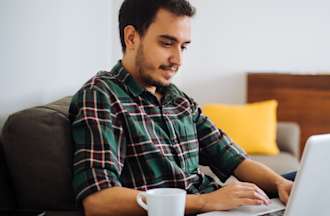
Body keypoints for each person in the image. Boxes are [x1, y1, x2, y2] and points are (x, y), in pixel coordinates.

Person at [69, 0, 293, 215]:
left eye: (183, 47)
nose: (178, 60)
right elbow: (98, 200)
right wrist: (204, 202)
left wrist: (280, 184)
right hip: (194, 209)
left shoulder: (178, 99)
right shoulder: (102, 95)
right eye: (167, 43)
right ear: (131, 38)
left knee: (305, 181)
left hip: (214, 206)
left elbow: (234, 158)